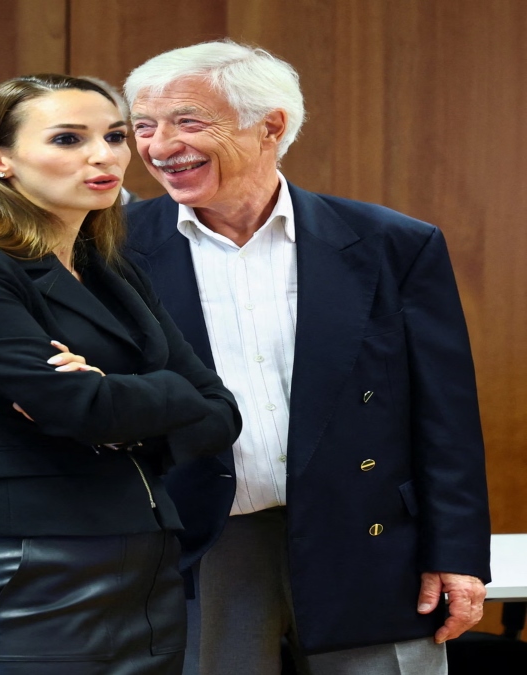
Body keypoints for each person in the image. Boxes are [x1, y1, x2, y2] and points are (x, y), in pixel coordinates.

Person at [121, 40, 490, 675]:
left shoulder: (392, 243)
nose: (159, 147)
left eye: (187, 121)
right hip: (197, 540)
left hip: (368, 534)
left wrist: (456, 553)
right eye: (144, 126)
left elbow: (445, 416)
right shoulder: (109, 251)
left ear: (271, 126)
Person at [0, 74, 242, 674]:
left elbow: (220, 415)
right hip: (31, 569)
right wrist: (136, 399)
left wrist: (111, 398)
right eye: (69, 139)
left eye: (116, 136)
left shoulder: (111, 271)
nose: (105, 156)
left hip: (147, 566)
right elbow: (81, 408)